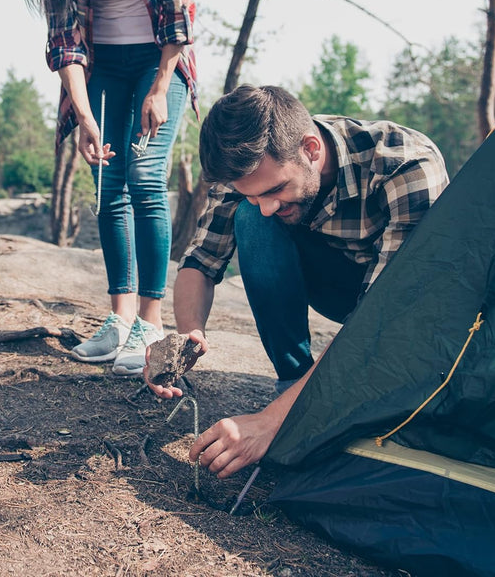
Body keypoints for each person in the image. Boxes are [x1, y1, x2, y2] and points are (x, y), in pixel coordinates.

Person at [146, 84, 449, 476]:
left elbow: (380, 319)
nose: (268, 204)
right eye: (253, 193)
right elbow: (201, 261)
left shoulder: (404, 165)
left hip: (400, 305)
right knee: (251, 220)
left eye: (276, 190)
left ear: (310, 149)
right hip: (335, 283)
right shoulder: (246, 170)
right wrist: (185, 338)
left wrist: (272, 422)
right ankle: (293, 380)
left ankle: (297, 404)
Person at [23, 0, 198, 376]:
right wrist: (81, 113)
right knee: (108, 183)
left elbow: (177, 7)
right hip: (99, 67)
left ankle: (151, 321)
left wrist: (160, 85)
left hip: (158, 58)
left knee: (146, 177)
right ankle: (119, 318)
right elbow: (66, 40)